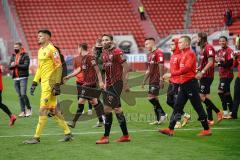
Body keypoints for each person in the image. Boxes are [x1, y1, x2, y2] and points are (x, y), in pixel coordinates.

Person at [23, 29, 72, 144]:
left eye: (40, 36)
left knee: (42, 110)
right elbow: (40, 68)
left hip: (50, 85)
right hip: (43, 84)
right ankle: (67, 133)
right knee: (53, 110)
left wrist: (56, 85)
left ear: (46, 37)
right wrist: (35, 82)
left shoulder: (52, 49)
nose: (38, 38)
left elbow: (59, 67)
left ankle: (36, 137)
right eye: (38, 36)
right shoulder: (40, 50)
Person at [160, 36, 211, 137]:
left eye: (180, 42)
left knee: (197, 107)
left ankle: (206, 129)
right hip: (184, 85)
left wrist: (171, 74)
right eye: (178, 43)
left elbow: (186, 69)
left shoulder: (190, 54)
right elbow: (183, 69)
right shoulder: (183, 54)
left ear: (187, 44)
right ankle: (170, 129)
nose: (178, 44)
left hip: (191, 84)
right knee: (177, 106)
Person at [96, 34, 130, 144]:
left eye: (107, 40)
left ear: (111, 41)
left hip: (117, 84)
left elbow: (126, 66)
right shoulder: (104, 53)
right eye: (103, 40)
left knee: (107, 108)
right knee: (117, 109)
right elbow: (104, 70)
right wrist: (103, 82)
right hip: (110, 85)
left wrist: (125, 83)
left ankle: (106, 137)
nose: (104, 42)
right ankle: (125, 136)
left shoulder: (117, 51)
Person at [64, 43, 105, 128]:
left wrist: (101, 82)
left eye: (78, 48)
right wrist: (69, 76)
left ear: (81, 48)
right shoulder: (84, 59)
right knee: (94, 101)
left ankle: (73, 122)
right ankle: (101, 120)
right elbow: (79, 69)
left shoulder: (90, 58)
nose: (77, 50)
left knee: (81, 101)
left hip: (90, 84)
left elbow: (97, 70)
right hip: (88, 84)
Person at [196, 32, 223, 125]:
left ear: (201, 38)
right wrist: (198, 68)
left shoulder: (209, 47)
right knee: (206, 97)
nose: (196, 40)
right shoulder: (203, 48)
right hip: (204, 75)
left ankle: (218, 112)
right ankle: (210, 119)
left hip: (207, 76)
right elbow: (204, 63)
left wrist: (202, 72)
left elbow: (211, 62)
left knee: (200, 96)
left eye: (197, 38)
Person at [163, 38, 190, 128]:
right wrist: (167, 76)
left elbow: (182, 70)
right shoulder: (174, 55)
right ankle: (185, 115)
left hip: (178, 82)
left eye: (173, 44)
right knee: (169, 101)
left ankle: (177, 121)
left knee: (176, 102)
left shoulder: (180, 56)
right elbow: (172, 69)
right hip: (172, 81)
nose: (171, 46)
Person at [142, 37, 167, 125]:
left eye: (147, 44)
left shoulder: (158, 52)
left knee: (151, 97)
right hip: (151, 79)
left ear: (153, 43)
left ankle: (163, 114)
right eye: (145, 44)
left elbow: (161, 66)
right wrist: (144, 81)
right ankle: (158, 119)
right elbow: (149, 69)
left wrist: (161, 78)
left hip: (156, 79)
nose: (146, 46)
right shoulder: (150, 54)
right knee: (155, 98)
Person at [8, 42, 32, 117]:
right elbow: (10, 67)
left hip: (23, 77)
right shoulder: (13, 56)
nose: (15, 49)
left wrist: (16, 64)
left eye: (17, 47)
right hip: (16, 78)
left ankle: (29, 108)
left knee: (23, 94)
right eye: (14, 47)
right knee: (20, 95)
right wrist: (12, 65)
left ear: (21, 47)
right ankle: (23, 111)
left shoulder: (25, 55)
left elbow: (26, 66)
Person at [216, 36, 234, 119]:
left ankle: (225, 112)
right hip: (222, 75)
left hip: (227, 75)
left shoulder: (229, 50)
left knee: (220, 92)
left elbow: (230, 63)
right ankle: (232, 112)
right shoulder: (219, 51)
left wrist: (219, 64)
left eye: (223, 41)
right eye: (220, 41)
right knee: (227, 94)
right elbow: (218, 61)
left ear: (226, 42)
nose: (222, 42)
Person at [232, 52, 240, 119]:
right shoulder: (238, 55)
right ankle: (234, 114)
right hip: (239, 78)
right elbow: (234, 65)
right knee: (236, 96)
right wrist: (235, 58)